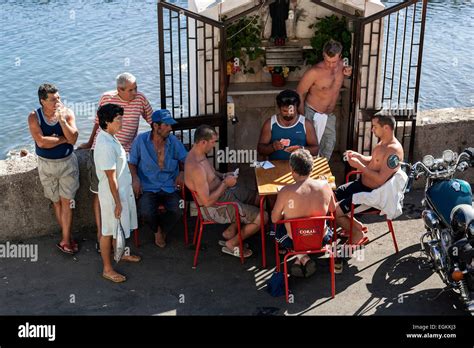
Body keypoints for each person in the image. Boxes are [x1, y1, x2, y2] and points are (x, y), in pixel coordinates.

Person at [78, 72, 153, 252]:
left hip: (124, 152)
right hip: (103, 151)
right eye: (131, 90)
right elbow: (98, 123)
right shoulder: (106, 98)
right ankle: (102, 233)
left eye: (136, 88)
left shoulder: (140, 99)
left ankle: (119, 239)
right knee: (101, 194)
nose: (135, 92)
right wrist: (89, 143)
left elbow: (152, 120)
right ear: (119, 89)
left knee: (123, 194)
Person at [185, 125, 268, 258]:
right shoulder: (196, 168)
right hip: (215, 207)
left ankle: (231, 230)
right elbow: (206, 202)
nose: (214, 146)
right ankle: (232, 244)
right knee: (263, 217)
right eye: (213, 142)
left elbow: (211, 174)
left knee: (257, 197)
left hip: (224, 193)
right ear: (203, 142)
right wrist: (225, 183)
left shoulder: (198, 154)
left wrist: (223, 176)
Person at [335, 114, 404, 245]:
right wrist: (358, 156)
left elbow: (380, 180)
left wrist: (359, 166)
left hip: (371, 194)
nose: (372, 130)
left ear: (386, 128)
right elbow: (373, 162)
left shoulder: (393, 152)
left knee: (336, 211)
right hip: (360, 185)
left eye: (375, 126)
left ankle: (357, 234)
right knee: (332, 196)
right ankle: (356, 226)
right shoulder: (382, 143)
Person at [28, 83, 80, 254]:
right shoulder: (34, 117)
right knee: (56, 202)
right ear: (42, 101)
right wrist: (62, 139)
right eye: (52, 100)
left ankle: (65, 240)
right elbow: (41, 142)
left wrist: (62, 122)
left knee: (68, 201)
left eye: (58, 98)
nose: (57, 102)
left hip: (67, 164)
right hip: (46, 165)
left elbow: (73, 138)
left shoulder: (67, 113)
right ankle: (67, 237)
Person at [94, 103, 141, 283]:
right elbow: (110, 177)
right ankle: (107, 269)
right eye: (118, 119)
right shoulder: (105, 144)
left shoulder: (110, 137)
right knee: (108, 231)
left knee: (118, 228)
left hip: (119, 192)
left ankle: (120, 253)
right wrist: (118, 202)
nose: (122, 121)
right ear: (107, 122)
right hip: (112, 195)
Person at [271, 148, 336, 278]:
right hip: (320, 238)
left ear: (292, 169)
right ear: (311, 168)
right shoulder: (325, 186)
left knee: (275, 227)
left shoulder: (285, 191)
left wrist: (287, 212)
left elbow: (274, 219)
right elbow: (333, 209)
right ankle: (303, 258)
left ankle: (300, 256)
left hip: (293, 240)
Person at [129, 109, 187, 248]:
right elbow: (132, 163)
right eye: (166, 125)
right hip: (148, 187)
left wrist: (182, 172)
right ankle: (157, 230)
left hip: (169, 186)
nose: (170, 128)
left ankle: (163, 228)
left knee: (180, 208)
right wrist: (135, 178)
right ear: (156, 126)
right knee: (145, 211)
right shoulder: (140, 141)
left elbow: (187, 159)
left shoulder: (173, 141)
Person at [296, 39, 353, 160]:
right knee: (310, 150)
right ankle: (306, 174)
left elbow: (349, 80)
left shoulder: (343, 65)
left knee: (328, 145)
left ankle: (321, 173)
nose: (331, 65)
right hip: (311, 113)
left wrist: (349, 75)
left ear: (340, 56)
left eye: (334, 61)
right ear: (323, 55)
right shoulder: (314, 72)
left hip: (329, 115)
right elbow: (300, 92)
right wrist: (302, 118)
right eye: (328, 61)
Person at [257, 89, 318, 161]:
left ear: (297, 107)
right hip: (276, 166)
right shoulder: (270, 123)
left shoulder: (306, 124)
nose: (288, 114)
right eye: (284, 111)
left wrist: (302, 149)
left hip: (300, 166)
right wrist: (272, 147)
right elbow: (260, 149)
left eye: (291, 111)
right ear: (279, 108)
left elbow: (315, 150)